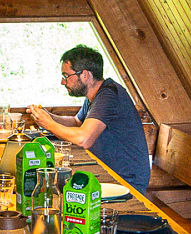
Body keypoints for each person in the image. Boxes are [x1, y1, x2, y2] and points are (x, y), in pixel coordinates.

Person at [27, 45, 151, 193]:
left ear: (85, 75)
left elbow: (84, 139)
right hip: (108, 174)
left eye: (66, 76)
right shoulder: (96, 94)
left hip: (125, 182)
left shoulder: (109, 96)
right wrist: (48, 116)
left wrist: (48, 123)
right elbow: (77, 122)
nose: (62, 82)